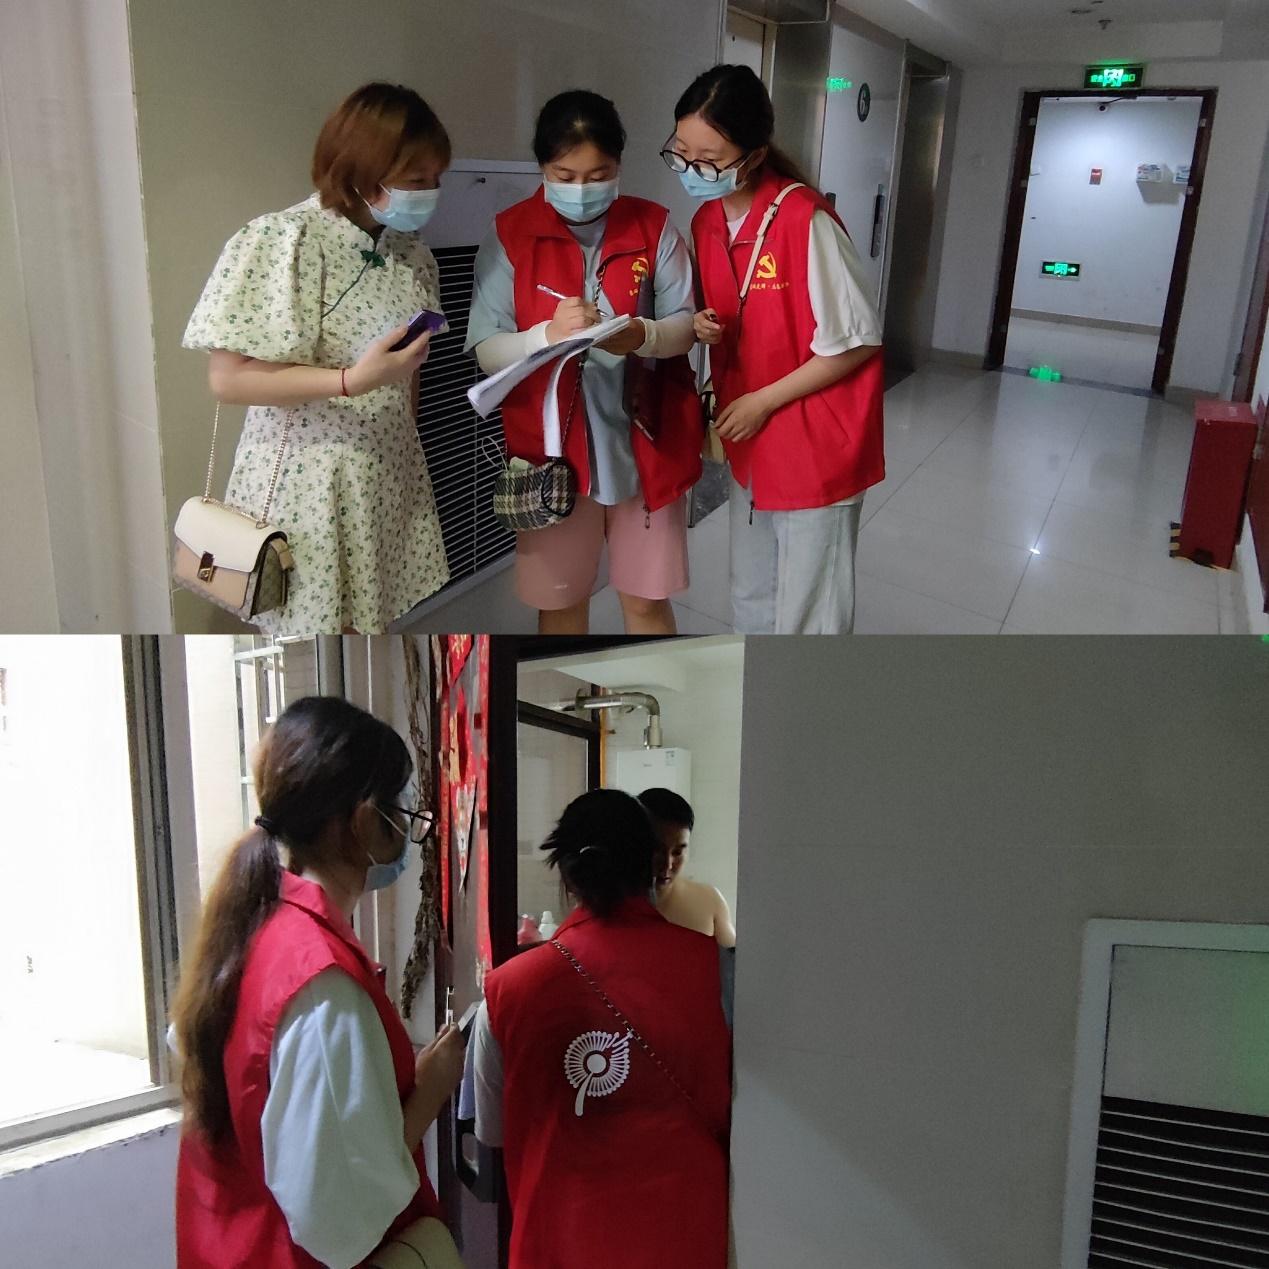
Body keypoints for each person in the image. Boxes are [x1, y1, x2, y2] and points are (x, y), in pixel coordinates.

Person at [172, 696, 465, 1269]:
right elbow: (338, 1220)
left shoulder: (251, 929)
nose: (408, 828)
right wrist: (429, 1092)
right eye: (401, 809)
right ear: (364, 821)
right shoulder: (321, 983)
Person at [183, 82, 452, 636]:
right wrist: (351, 380)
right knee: (319, 636)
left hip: (386, 473)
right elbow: (228, 379)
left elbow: (409, 371)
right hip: (308, 486)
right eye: (415, 179)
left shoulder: (412, 255)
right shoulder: (282, 239)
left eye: (435, 179)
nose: (430, 193)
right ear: (361, 170)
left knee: (372, 628)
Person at [467, 90, 702, 636]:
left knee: (646, 604)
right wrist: (544, 336)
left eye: (598, 175)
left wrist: (641, 336)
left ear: (618, 166)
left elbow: (686, 325)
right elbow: (487, 349)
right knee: (561, 606)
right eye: (564, 175)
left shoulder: (654, 227)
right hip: (552, 457)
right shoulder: (510, 235)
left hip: (646, 444)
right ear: (542, 168)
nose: (581, 189)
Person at [666, 64, 886, 635]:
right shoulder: (707, 222)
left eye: (710, 159)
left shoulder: (803, 219)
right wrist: (704, 325)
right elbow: (736, 310)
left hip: (814, 442)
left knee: (810, 613)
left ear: (754, 155)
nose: (692, 171)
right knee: (751, 594)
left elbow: (857, 342)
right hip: (752, 440)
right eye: (682, 153)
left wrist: (764, 401)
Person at [470, 790, 730, 1268]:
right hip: (684, 1242)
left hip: (556, 1248)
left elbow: (492, 1133)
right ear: (651, 865)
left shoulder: (505, 992)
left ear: (568, 876)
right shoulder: (720, 973)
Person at [638, 787, 736, 946]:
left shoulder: (709, 902)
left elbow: (737, 959)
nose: (668, 864)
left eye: (677, 852)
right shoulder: (607, 907)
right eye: (657, 850)